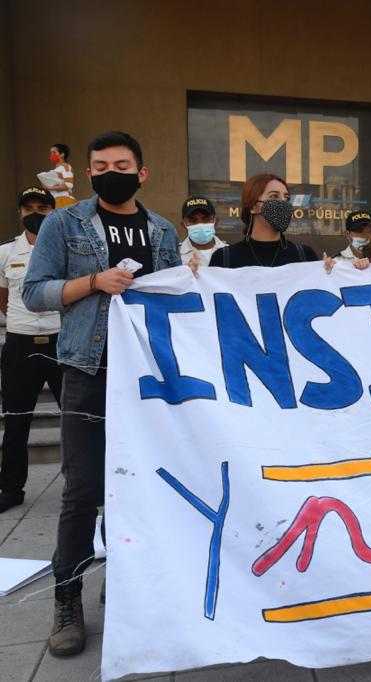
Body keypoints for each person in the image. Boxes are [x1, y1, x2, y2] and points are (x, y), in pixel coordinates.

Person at [22, 130, 182, 657]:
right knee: (82, 490)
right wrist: (94, 281)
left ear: (142, 172)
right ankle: (67, 599)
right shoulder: (62, 224)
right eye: (99, 164)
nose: (110, 170)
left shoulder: (161, 229)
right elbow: (35, 291)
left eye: (121, 163)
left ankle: (127, 583)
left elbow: (176, 298)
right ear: (88, 173)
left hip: (149, 379)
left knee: (137, 487)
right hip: (89, 373)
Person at [0, 187, 63, 514]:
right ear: (20, 212)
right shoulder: (6, 252)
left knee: (78, 421)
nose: (35, 212)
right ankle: (11, 488)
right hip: (20, 343)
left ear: (53, 212)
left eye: (43, 206)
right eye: (29, 208)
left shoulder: (67, 250)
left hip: (60, 341)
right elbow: (3, 296)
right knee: (16, 420)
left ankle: (82, 486)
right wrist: (22, 321)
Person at [208, 174, 318, 268]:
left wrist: (330, 274)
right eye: (274, 196)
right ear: (252, 207)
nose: (283, 203)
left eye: (287, 198)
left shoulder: (305, 256)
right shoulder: (224, 259)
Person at [178, 196, 226, 268]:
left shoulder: (229, 253)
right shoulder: (175, 256)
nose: (200, 224)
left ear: (216, 221)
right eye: (193, 220)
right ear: (183, 225)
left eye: (206, 219)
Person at [41, 143, 76, 208]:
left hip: (65, 200)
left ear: (62, 154)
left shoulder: (65, 166)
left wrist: (49, 187)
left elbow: (69, 185)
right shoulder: (57, 169)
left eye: (54, 152)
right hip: (56, 201)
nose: (51, 155)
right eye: (51, 153)